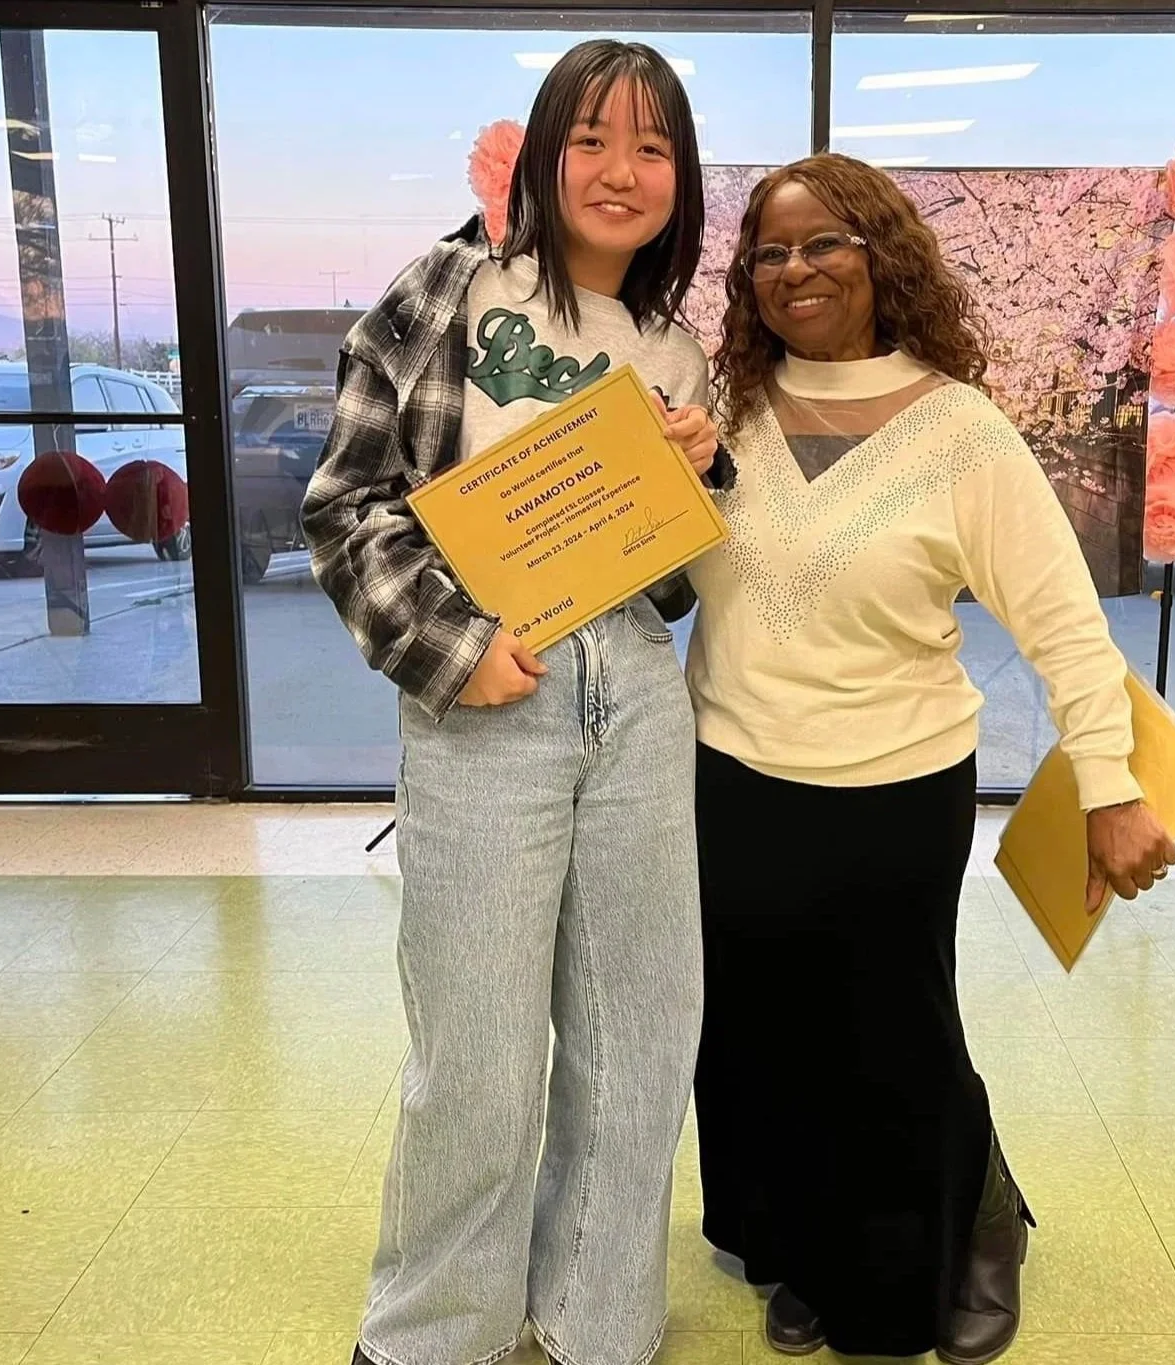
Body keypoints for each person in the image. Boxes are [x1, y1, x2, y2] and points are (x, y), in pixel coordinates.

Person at [686, 154, 1175, 1364]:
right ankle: (805, 1244)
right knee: (763, 1030)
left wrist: (1110, 787)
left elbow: (1064, 625)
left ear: (881, 256)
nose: (794, 269)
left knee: (892, 1032)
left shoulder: (959, 430)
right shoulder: (723, 416)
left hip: (894, 784)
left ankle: (976, 1219)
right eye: (769, 252)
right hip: (731, 776)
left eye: (824, 243)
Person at [302, 41, 721, 1365]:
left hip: (636, 696)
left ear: (682, 177)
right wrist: (451, 645)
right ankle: (435, 1332)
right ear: (542, 153)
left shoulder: (676, 350)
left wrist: (695, 482)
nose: (620, 170)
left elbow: (670, 586)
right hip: (489, 694)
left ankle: (598, 1321)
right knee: (476, 1048)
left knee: (639, 1036)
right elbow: (345, 506)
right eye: (590, 138)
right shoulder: (450, 287)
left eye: (651, 147)